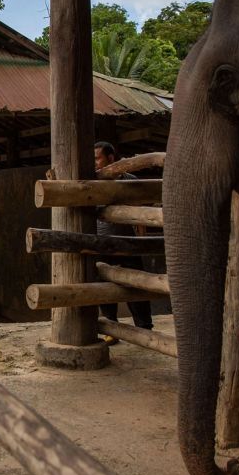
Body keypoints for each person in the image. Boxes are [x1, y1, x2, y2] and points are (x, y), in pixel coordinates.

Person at [95, 142, 154, 341]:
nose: (95, 163)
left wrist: (141, 238)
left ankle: (145, 327)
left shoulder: (130, 180)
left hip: (127, 242)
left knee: (136, 283)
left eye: (97, 158)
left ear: (111, 159)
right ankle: (111, 329)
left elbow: (141, 211)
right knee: (104, 284)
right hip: (101, 242)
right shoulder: (94, 182)